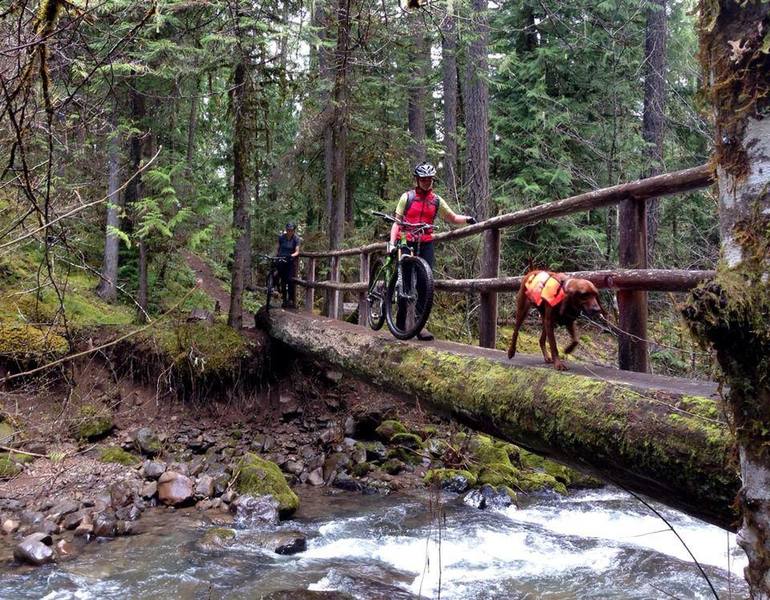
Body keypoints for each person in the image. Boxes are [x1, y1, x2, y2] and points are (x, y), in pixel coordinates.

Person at [388, 162, 477, 340]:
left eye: (429, 179)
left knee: (425, 283)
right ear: (417, 180)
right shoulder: (407, 197)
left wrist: (468, 219)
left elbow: (451, 217)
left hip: (426, 242)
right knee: (405, 283)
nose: (426, 182)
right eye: (423, 179)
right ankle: (399, 324)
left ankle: (419, 325)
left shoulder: (436, 200)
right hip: (406, 241)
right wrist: (392, 243)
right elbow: (397, 222)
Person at [276, 222, 301, 308]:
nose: (289, 231)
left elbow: (297, 251)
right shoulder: (281, 237)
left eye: (291, 230)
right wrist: (276, 256)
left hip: (290, 261)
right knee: (282, 280)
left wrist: (291, 255)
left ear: (294, 231)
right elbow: (277, 248)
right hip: (281, 259)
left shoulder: (296, 239)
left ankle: (291, 299)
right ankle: (284, 299)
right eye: (288, 230)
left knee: (290, 280)